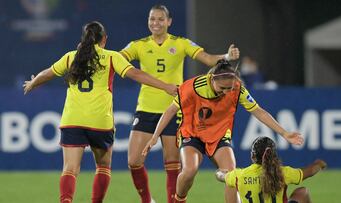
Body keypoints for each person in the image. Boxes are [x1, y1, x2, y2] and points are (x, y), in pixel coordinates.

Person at [23, 21, 177, 203]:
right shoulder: (111, 57)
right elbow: (135, 74)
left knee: (70, 169)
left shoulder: (71, 57)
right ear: (104, 39)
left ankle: (65, 201)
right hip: (100, 121)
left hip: (73, 119)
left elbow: (48, 73)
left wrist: (33, 83)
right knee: (103, 166)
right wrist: (165, 86)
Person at [119, 4, 240, 203]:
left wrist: (226, 57)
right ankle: (147, 199)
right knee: (134, 161)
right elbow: (118, 59)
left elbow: (208, 59)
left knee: (173, 163)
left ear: (169, 22)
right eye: (152, 19)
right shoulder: (138, 45)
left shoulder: (181, 43)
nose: (155, 23)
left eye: (160, 19)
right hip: (146, 109)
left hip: (176, 109)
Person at [142, 60, 304, 203]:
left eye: (229, 88)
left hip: (219, 135)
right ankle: (178, 200)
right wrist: (155, 136)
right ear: (212, 79)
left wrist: (284, 133)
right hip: (192, 133)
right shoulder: (192, 87)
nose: (226, 92)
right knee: (190, 170)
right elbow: (170, 111)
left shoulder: (237, 89)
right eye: (222, 88)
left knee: (231, 175)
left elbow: (258, 111)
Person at [215, 136, 327, 203]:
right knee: (303, 192)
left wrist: (221, 173)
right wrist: (319, 164)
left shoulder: (239, 175)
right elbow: (309, 172)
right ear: (273, 156)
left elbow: (221, 176)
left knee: (231, 184)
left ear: (252, 156)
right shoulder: (282, 172)